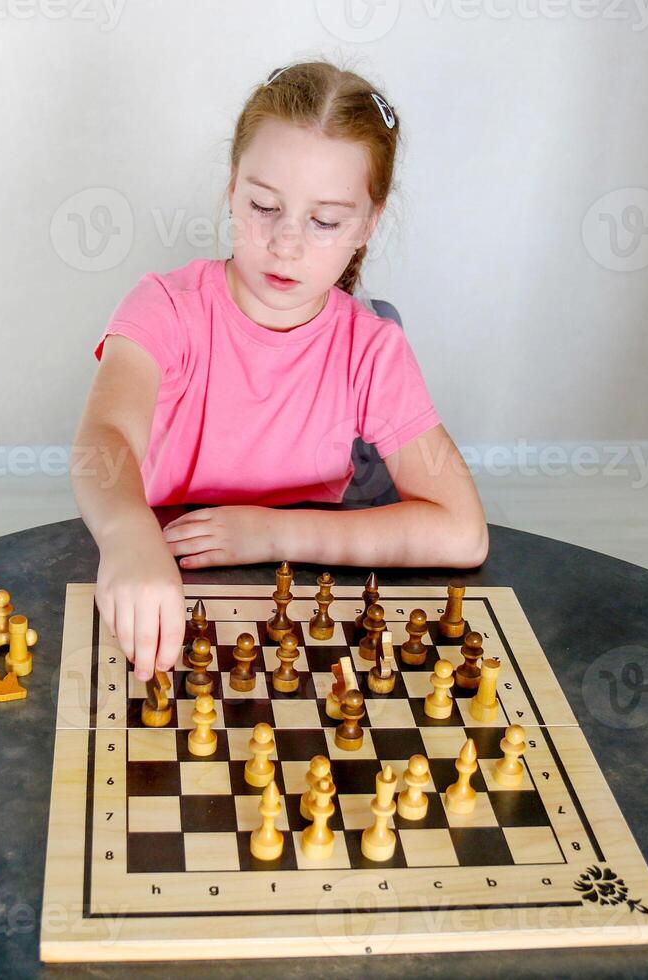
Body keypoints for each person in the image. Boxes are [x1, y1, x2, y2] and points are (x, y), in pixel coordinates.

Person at [71, 61, 487, 681]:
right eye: (264, 206)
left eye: (324, 221)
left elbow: (463, 533)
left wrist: (270, 535)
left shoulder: (371, 349)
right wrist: (129, 537)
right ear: (232, 187)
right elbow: (103, 442)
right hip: (157, 567)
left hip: (295, 598)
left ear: (368, 224)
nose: (287, 243)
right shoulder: (165, 308)